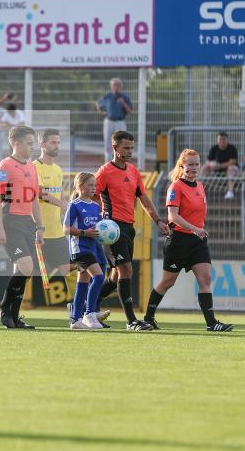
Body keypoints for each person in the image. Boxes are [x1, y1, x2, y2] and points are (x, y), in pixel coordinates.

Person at [143, 149, 233, 332]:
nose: (193, 167)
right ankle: (148, 317)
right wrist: (195, 229)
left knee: (205, 279)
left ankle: (211, 323)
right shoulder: (175, 187)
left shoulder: (200, 186)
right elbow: (172, 216)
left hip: (197, 241)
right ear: (182, 166)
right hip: (179, 241)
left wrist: (197, 230)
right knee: (168, 281)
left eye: (196, 164)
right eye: (190, 164)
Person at [94, 130, 170, 331]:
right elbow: (90, 195)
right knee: (126, 270)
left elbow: (144, 199)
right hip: (111, 228)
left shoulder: (134, 172)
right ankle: (131, 321)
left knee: (116, 276)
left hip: (128, 228)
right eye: (126, 148)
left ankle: (88, 305)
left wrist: (158, 221)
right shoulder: (104, 172)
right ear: (115, 147)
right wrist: (97, 219)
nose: (129, 151)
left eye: (131, 148)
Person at [0, 125, 44, 329]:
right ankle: (4, 306)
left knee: (25, 271)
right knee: (25, 266)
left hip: (27, 223)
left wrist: (40, 227)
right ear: (16, 143)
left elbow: (34, 201)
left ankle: (13, 316)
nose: (33, 147)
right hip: (10, 220)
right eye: (30, 143)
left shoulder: (32, 167)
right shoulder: (5, 166)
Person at [32, 128, 74, 306]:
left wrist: (69, 211)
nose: (57, 146)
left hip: (57, 232)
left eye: (58, 142)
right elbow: (40, 193)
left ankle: (79, 313)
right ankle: (5, 305)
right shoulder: (34, 167)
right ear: (42, 144)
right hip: (39, 231)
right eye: (52, 142)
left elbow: (61, 195)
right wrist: (62, 204)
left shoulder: (57, 169)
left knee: (68, 271)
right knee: (26, 273)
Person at [63, 172, 107, 330]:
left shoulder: (96, 207)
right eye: (89, 185)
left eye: (94, 185)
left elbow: (99, 229)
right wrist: (84, 233)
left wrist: (106, 230)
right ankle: (89, 314)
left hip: (91, 248)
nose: (93, 188)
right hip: (79, 249)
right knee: (99, 277)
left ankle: (75, 320)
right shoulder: (74, 205)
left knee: (83, 282)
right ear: (80, 187)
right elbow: (66, 229)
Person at [95, 78, 132, 161]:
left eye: (118, 85)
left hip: (120, 122)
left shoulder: (125, 97)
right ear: (111, 87)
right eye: (114, 85)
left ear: (121, 87)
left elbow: (130, 111)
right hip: (109, 121)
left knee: (122, 143)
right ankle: (108, 163)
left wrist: (123, 103)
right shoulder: (108, 96)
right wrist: (100, 111)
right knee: (108, 143)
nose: (116, 87)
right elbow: (98, 103)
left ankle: (121, 162)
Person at [201, 132, 240, 199]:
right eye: (220, 139)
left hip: (231, 169)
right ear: (217, 140)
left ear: (227, 140)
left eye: (223, 139)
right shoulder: (214, 148)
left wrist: (220, 166)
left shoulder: (232, 148)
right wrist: (211, 164)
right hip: (217, 168)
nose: (222, 141)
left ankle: (230, 192)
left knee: (231, 168)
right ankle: (200, 191)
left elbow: (233, 162)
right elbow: (207, 161)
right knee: (204, 168)